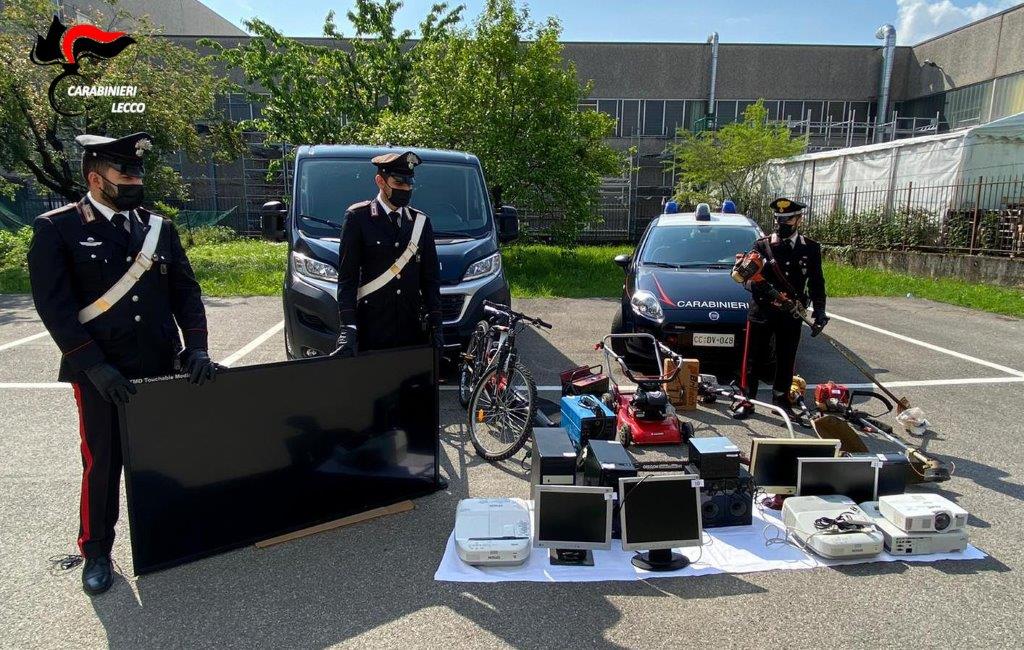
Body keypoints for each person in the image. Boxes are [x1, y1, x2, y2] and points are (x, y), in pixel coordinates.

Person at [27, 132, 220, 595]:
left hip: (158, 364)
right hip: (102, 373)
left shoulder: (159, 228)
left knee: (165, 453)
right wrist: (92, 366)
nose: (136, 180)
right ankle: (96, 550)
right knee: (103, 462)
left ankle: (168, 534)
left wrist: (196, 347)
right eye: (125, 173)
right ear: (96, 178)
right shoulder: (58, 228)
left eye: (138, 172)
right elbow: (54, 308)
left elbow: (186, 294)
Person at [332, 151, 443, 357]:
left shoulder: (420, 222)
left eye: (409, 184)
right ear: (380, 182)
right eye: (399, 184)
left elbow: (430, 279)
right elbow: (347, 279)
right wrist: (348, 327)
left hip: (411, 328)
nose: (406, 189)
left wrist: (436, 323)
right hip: (372, 328)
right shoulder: (358, 218)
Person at [733, 198, 827, 422]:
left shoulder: (810, 248)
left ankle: (781, 401)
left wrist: (820, 312)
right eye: (778, 219)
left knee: (786, 359)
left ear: (798, 220)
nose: (781, 224)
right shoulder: (762, 245)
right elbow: (748, 280)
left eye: (787, 219)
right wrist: (770, 295)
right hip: (762, 311)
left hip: (791, 313)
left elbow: (816, 283)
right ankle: (747, 399)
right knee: (752, 358)